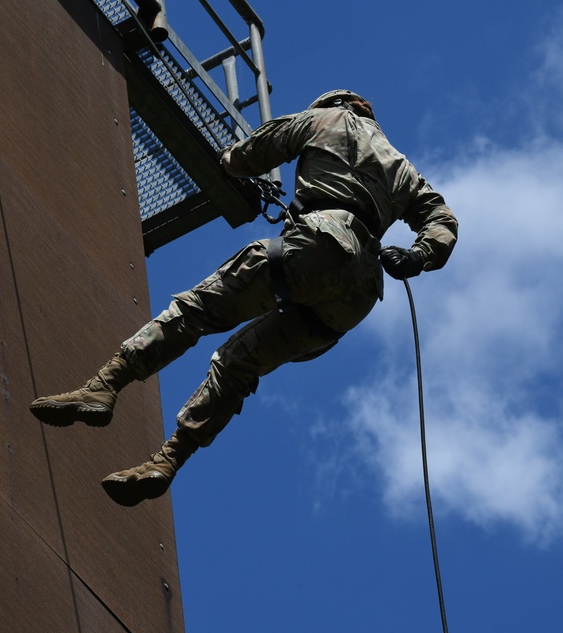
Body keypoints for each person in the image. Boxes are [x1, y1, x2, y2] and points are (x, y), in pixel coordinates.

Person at [30, 90, 458, 507]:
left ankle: (102, 387)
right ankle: (166, 462)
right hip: (355, 297)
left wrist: (228, 160)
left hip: (317, 243)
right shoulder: (403, 169)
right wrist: (417, 255)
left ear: (336, 104)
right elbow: (442, 220)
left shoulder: (325, 119)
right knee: (238, 366)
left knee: (196, 310)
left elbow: (251, 156)